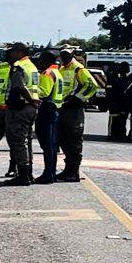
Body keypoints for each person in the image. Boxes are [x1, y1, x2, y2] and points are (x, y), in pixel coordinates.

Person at [56, 50, 99, 182]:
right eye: (62, 54)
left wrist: (78, 98)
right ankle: (68, 169)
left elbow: (92, 85)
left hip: (74, 109)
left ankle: (74, 171)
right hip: (62, 108)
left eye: (66, 54)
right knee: (63, 139)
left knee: (74, 140)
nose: (63, 57)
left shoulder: (78, 69)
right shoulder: (62, 68)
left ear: (72, 55)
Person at [2, 42, 40, 186]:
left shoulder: (18, 66)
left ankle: (23, 175)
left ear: (19, 52)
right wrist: (34, 101)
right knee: (27, 141)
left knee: (17, 141)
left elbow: (20, 86)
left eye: (12, 51)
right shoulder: (32, 66)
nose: (10, 54)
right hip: (30, 108)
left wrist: (31, 100)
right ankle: (28, 173)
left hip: (20, 107)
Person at [33, 50, 63, 184]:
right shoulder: (57, 72)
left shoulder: (47, 73)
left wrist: (30, 89)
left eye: (41, 59)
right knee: (51, 144)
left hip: (47, 110)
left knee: (47, 144)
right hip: (54, 110)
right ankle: (51, 172)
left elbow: (44, 92)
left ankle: (48, 173)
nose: (39, 62)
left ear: (46, 60)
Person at [106, 63, 129, 141]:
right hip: (113, 101)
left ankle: (119, 134)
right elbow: (109, 90)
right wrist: (111, 101)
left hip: (120, 101)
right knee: (113, 118)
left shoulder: (121, 78)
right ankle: (110, 134)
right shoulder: (111, 78)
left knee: (120, 119)